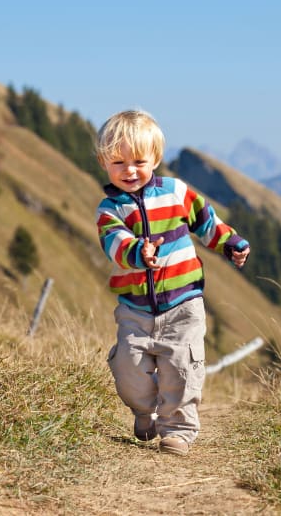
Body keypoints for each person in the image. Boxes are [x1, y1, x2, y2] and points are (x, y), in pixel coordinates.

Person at [95, 109, 250, 455]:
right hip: (135, 308)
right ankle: (144, 409)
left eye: (139, 160)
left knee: (182, 367)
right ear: (104, 162)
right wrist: (138, 252)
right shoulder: (110, 209)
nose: (130, 170)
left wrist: (230, 243)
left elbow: (205, 220)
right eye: (118, 162)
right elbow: (114, 243)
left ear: (156, 159)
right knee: (128, 369)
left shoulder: (175, 191)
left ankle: (178, 430)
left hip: (184, 303)